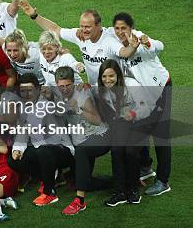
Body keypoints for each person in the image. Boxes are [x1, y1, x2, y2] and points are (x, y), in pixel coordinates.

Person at [109, 12, 171, 195]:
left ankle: (163, 181)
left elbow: (160, 46)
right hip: (141, 94)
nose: (120, 32)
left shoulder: (139, 37)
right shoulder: (114, 42)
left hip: (161, 88)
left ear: (131, 28)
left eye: (124, 28)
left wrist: (147, 42)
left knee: (161, 134)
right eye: (117, 28)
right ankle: (145, 168)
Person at [20, 1, 137, 85]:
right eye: (82, 26)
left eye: (88, 27)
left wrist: (133, 47)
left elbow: (124, 53)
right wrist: (34, 16)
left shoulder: (108, 41)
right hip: (95, 87)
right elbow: (56, 29)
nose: (84, 30)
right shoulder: (79, 35)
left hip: (115, 84)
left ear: (98, 25)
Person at [8, 74, 75, 206]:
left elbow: (62, 110)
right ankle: (52, 176)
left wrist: (51, 97)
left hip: (62, 149)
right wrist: (17, 150)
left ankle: (50, 193)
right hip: (41, 151)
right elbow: (22, 133)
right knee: (13, 160)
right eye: (22, 91)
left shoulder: (49, 102)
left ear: (38, 89)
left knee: (44, 151)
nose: (26, 94)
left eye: (29, 90)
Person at [97, 60, 154, 207]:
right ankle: (120, 192)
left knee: (130, 151)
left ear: (118, 75)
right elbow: (87, 89)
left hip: (143, 120)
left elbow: (147, 108)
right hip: (124, 121)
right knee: (116, 150)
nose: (107, 80)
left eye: (111, 76)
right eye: (104, 76)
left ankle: (133, 189)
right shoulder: (102, 90)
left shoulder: (132, 85)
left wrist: (134, 113)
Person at [54, 66, 109, 215]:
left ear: (73, 82)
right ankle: (121, 181)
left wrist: (78, 109)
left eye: (68, 85)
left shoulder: (82, 94)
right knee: (84, 182)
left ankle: (80, 201)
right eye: (61, 86)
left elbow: (97, 120)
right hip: (79, 141)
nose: (65, 89)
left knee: (81, 154)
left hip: (98, 137)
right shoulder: (55, 95)